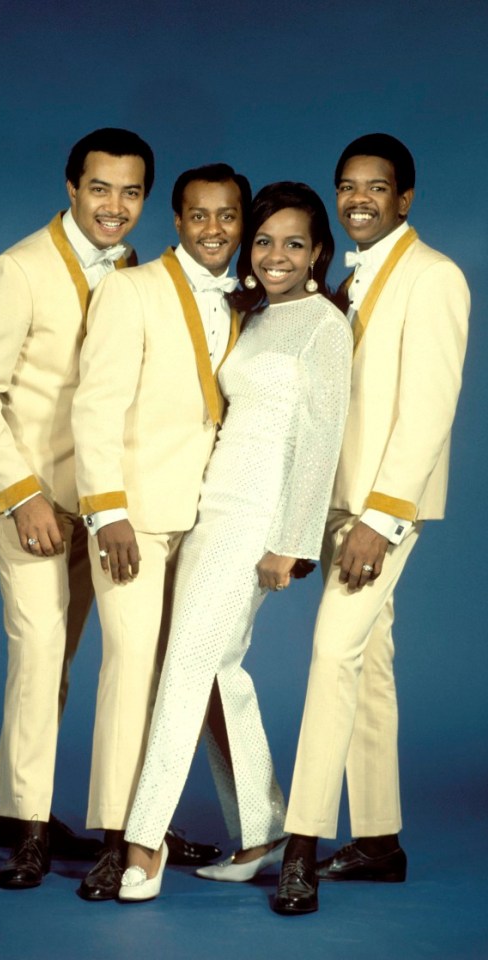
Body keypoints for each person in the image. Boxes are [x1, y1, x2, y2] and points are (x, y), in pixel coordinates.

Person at [116, 182, 353, 903]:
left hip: (256, 522)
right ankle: (263, 826)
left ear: (318, 253)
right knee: (214, 669)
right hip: (207, 511)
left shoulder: (323, 325)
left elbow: (320, 442)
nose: (276, 255)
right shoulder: (252, 318)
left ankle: (142, 841)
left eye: (294, 243)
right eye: (264, 241)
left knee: (186, 668)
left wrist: (291, 542)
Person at [0, 127, 153, 889]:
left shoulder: (138, 272)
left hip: (103, 504)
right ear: (71, 188)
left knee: (66, 661)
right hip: (29, 499)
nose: (115, 206)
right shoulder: (18, 270)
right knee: (38, 654)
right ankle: (29, 832)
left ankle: (19, 805)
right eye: (100, 188)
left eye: (131, 192)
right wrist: (22, 494)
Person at [275, 134, 470, 915]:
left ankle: (299, 847)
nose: (359, 199)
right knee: (369, 663)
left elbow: (429, 410)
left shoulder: (435, 278)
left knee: (331, 653)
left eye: (376, 188)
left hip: (381, 511)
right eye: (347, 186)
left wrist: (381, 520)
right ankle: (381, 841)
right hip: (332, 501)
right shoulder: (340, 282)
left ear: (406, 198)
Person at [71, 163, 252, 901]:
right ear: (176, 222)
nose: (214, 229)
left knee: (196, 676)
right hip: (135, 517)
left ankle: (171, 824)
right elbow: (95, 405)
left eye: (228, 216)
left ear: (243, 223)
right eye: (199, 215)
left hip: (211, 521)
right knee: (133, 667)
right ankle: (118, 840)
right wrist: (106, 510)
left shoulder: (252, 301)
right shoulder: (131, 289)